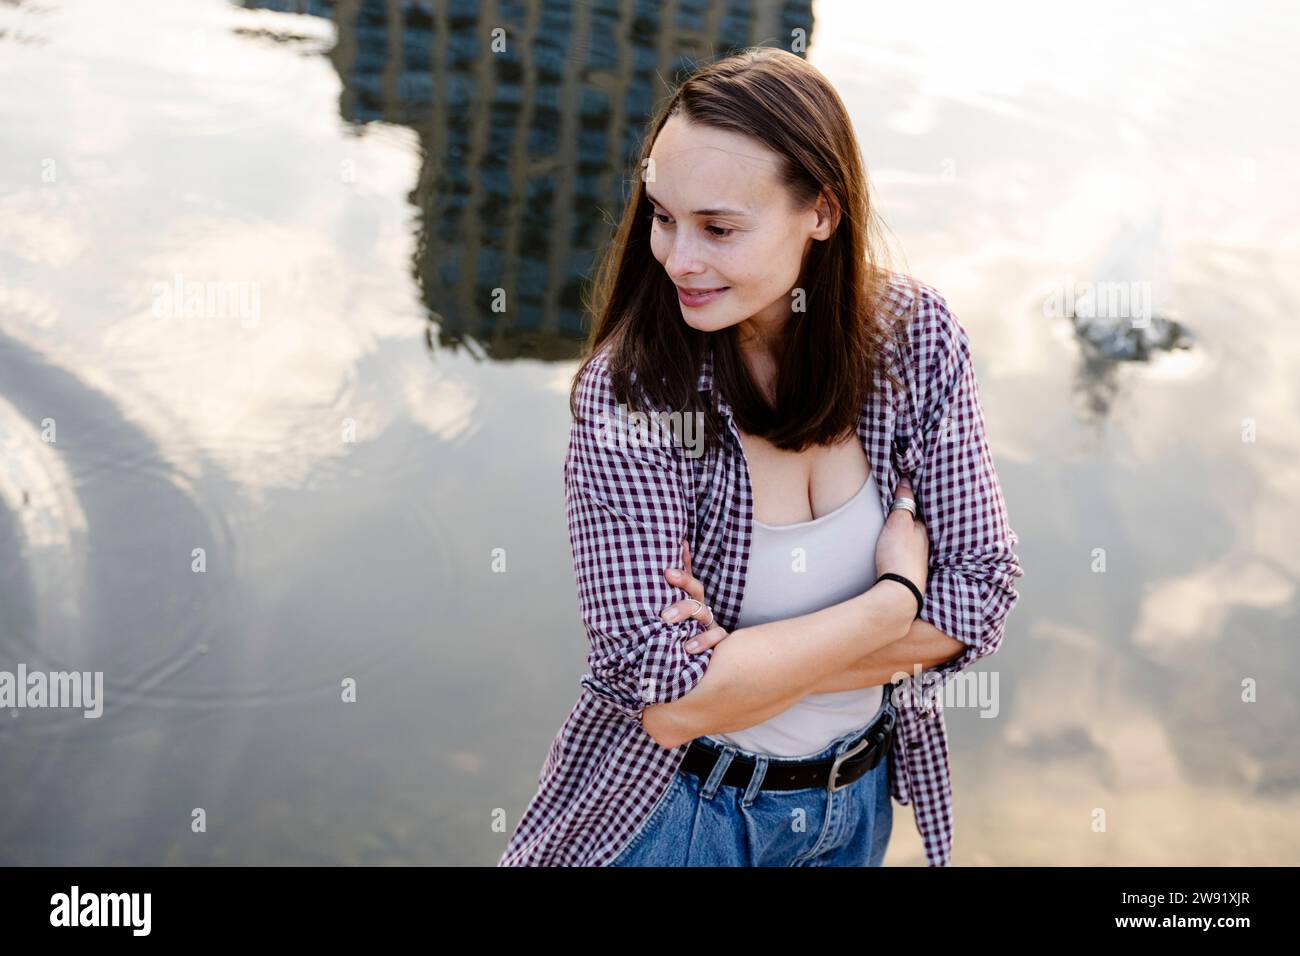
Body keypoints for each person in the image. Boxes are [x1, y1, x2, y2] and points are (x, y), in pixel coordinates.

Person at [499, 46, 1023, 867]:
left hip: (853, 811)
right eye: (662, 216)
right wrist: (892, 603)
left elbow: (982, 594)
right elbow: (666, 704)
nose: (676, 258)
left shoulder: (915, 340)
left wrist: (737, 674)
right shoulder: (632, 395)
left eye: (719, 228)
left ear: (821, 210)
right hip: (673, 815)